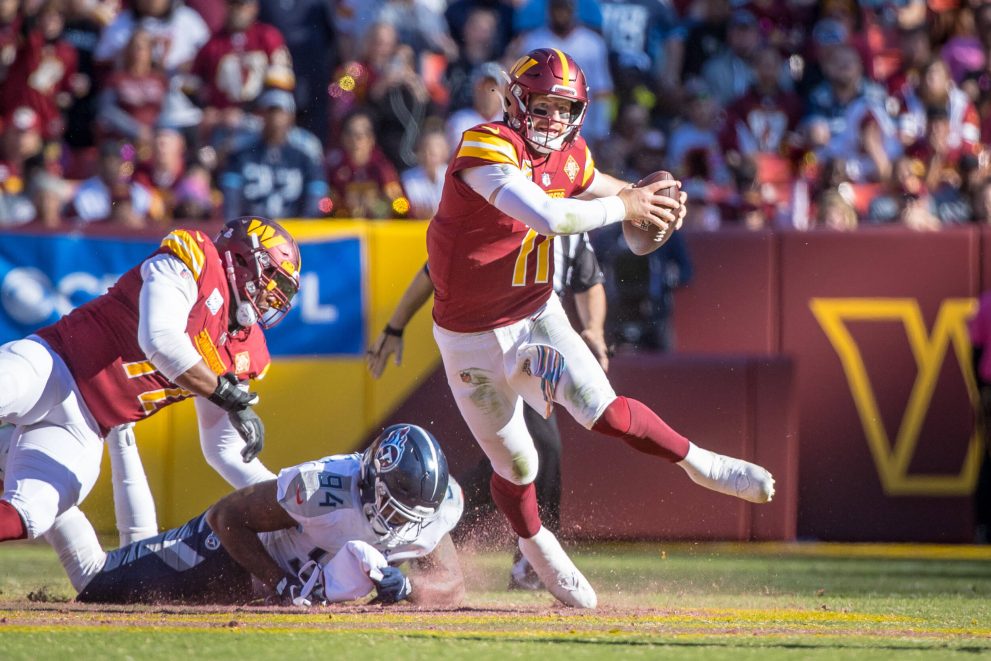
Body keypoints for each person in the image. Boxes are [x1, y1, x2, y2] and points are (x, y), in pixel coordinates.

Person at [424, 49, 775, 609]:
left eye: (565, 110)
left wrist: (651, 201)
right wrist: (629, 205)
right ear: (515, 103)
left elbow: (612, 192)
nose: (553, 121)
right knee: (517, 463)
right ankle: (537, 547)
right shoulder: (486, 145)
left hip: (536, 315)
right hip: (467, 336)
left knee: (603, 411)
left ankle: (702, 464)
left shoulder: (570, 155)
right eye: (541, 106)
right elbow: (551, 216)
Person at [0, 215, 301, 546]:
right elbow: (159, 339)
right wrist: (225, 394)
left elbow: (225, 451)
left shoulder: (246, 346)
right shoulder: (194, 258)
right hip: (53, 364)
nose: (274, 295)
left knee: (31, 514)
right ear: (242, 258)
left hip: (86, 427)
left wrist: (288, 504)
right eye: (273, 277)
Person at [367, 230, 609, 590]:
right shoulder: (496, 212)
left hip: (536, 344)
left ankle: (425, 527)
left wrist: (594, 330)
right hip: (489, 341)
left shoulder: (568, 219)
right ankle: (531, 560)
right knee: (538, 452)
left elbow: (588, 280)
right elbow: (434, 271)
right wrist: (395, 325)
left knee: (514, 463)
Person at [30, 424, 465, 606]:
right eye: (393, 507)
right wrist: (280, 584)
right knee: (95, 582)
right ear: (372, 482)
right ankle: (26, 456)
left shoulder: (435, 509)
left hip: (278, 584)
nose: (404, 525)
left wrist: (409, 586)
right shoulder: (322, 488)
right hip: (230, 554)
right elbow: (226, 516)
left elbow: (452, 584)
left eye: (414, 515)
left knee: (134, 568)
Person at [969, 292, 991, 544]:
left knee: (988, 458)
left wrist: (980, 391)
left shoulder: (986, 302)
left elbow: (974, 350)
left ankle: (984, 527)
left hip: (989, 387)